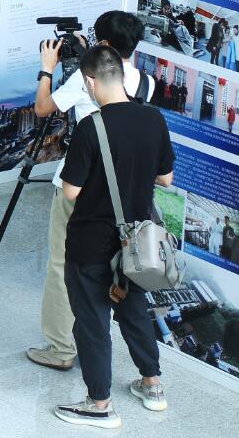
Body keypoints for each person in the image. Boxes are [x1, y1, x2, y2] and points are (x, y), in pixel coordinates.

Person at [54, 46, 174, 429]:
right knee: (133, 309)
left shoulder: (92, 127)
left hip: (91, 243)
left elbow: (70, 191)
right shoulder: (153, 118)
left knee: (92, 322)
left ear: (90, 83)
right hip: (135, 243)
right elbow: (165, 178)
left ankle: (99, 404)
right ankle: (152, 385)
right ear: (121, 75)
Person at [27, 11, 151, 373]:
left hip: (78, 186)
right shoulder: (145, 82)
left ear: (106, 44)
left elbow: (42, 108)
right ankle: (96, 342)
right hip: (121, 193)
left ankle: (60, 347)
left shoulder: (85, 79)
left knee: (62, 263)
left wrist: (47, 68)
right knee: (106, 265)